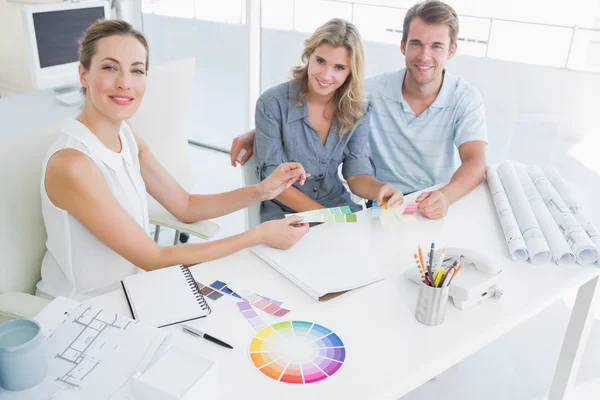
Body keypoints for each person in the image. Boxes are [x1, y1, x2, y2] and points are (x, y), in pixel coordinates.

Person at [36, 20, 309, 301]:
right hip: (81, 309)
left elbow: (185, 206)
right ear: (83, 74)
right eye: (109, 67)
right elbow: (152, 258)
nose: (125, 83)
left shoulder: (128, 138)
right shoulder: (72, 164)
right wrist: (258, 235)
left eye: (137, 70)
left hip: (131, 293)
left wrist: (261, 190)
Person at [230, 0, 487, 221]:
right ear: (403, 46)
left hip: (424, 203)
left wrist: (434, 196)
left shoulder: (360, 103)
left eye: (437, 46)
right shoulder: (367, 93)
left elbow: (476, 161)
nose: (424, 55)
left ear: (452, 50)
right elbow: (295, 112)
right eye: (417, 43)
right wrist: (260, 133)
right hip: (327, 215)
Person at [252, 18, 403, 222]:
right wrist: (330, 219)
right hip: (285, 212)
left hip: (336, 206)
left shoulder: (358, 109)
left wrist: (382, 189)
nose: (326, 75)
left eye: (339, 67)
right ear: (308, 55)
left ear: (351, 72)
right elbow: (273, 184)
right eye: (321, 61)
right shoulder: (271, 104)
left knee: (381, 240)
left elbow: (356, 175)